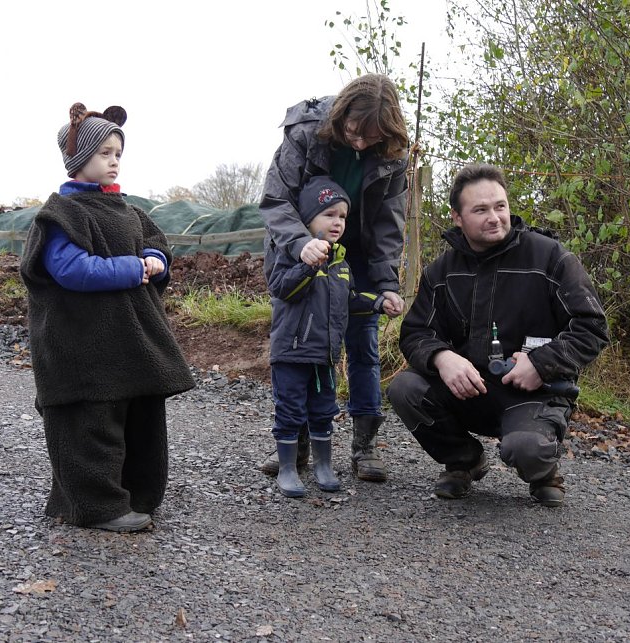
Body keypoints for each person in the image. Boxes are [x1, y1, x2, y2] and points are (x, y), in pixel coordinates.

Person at [386, 164, 609, 506]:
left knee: (526, 450)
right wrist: (441, 358)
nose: (494, 217)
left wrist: (541, 364)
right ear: (457, 217)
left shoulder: (550, 257)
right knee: (405, 388)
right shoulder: (441, 271)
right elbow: (416, 331)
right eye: (480, 210)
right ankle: (464, 460)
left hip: (533, 393)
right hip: (468, 391)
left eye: (500, 206)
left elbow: (592, 327)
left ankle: (542, 470)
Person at [20, 103, 195, 532]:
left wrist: (155, 259)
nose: (114, 160)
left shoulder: (129, 211)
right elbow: (71, 270)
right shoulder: (62, 214)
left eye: (118, 152)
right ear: (79, 161)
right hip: (82, 344)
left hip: (130, 341)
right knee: (90, 423)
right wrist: (133, 268)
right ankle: (97, 505)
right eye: (104, 153)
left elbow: (156, 244)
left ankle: (137, 495)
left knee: (139, 417)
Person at [259, 73, 410, 482]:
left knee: (363, 345)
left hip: (354, 252)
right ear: (342, 114)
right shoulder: (306, 131)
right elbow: (275, 199)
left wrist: (385, 286)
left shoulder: (395, 154)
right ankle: (299, 443)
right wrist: (299, 245)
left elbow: (388, 225)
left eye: (371, 138)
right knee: (302, 343)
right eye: (355, 133)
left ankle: (364, 447)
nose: (361, 144)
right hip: (301, 247)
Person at [267, 176, 400, 498]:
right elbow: (282, 288)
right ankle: (287, 466)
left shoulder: (341, 263)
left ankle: (323, 465)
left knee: (323, 409)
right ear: (307, 219)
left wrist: (380, 301)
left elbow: (351, 298)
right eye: (329, 215)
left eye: (342, 216)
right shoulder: (288, 254)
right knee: (290, 409)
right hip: (292, 353)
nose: (338, 222)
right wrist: (310, 264)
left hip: (325, 356)